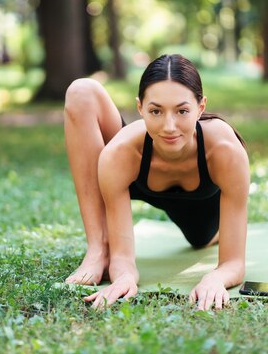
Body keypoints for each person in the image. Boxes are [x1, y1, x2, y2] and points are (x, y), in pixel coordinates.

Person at [63, 54, 250, 311]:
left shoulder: (225, 151)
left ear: (201, 107)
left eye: (182, 111)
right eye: (156, 111)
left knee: (202, 238)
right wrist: (125, 276)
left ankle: (209, 234)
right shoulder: (119, 154)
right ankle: (97, 251)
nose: (169, 126)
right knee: (81, 91)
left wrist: (215, 278)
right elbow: (123, 259)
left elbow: (233, 263)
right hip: (139, 176)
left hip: (200, 207)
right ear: (140, 108)